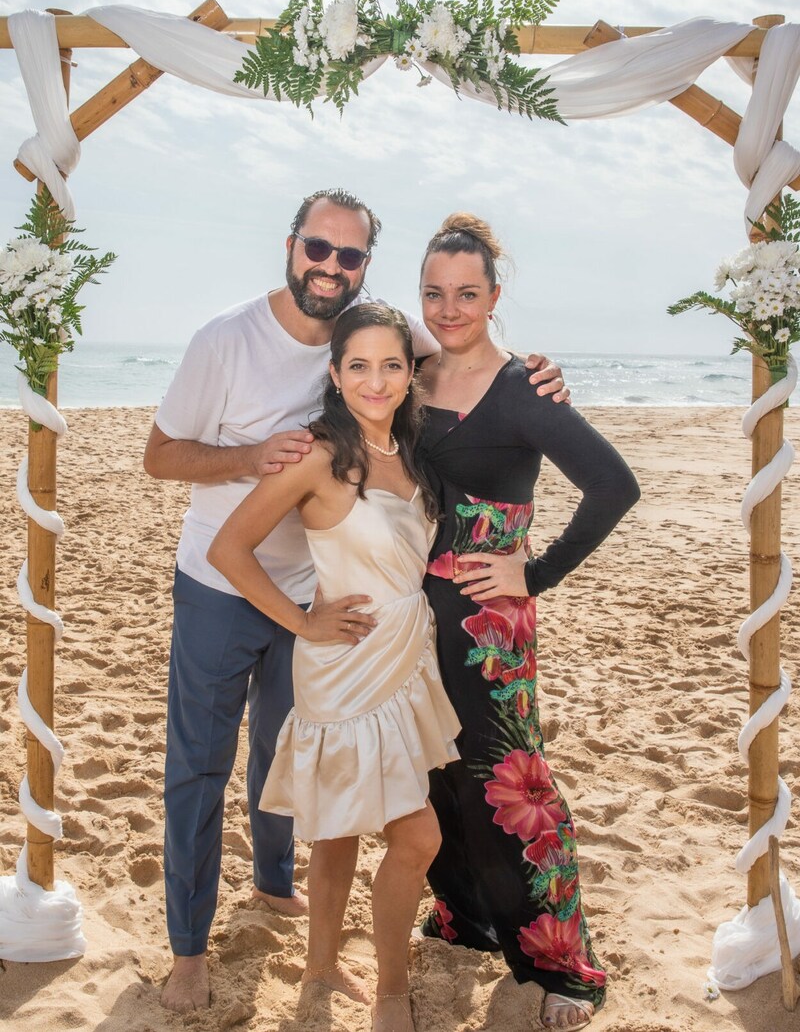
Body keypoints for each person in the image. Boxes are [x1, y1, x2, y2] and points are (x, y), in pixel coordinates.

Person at [143, 187, 567, 1012]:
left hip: (341, 605)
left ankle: (283, 905)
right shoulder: (227, 341)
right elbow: (161, 458)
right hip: (225, 589)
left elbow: (458, 349)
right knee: (201, 766)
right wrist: (251, 458)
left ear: (366, 265)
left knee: (295, 775)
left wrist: (533, 371)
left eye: (349, 255)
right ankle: (190, 951)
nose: (330, 266)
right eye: (318, 248)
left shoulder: (384, 347)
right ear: (292, 245)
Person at [412, 214, 640, 1032]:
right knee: (437, 775)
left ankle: (561, 963)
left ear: (494, 296)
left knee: (509, 785)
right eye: (435, 293)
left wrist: (532, 573)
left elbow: (614, 487)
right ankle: (466, 916)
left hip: (488, 626)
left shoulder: (521, 389)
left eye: (467, 293)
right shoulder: (415, 370)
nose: (449, 308)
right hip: (414, 619)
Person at [208, 303, 458, 1032]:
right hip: (343, 662)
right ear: (334, 373)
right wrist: (302, 622)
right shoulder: (319, 456)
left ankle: (319, 964)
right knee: (417, 838)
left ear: (411, 373)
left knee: (342, 829)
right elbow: (229, 548)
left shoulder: (412, 448)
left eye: (390, 364)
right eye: (358, 365)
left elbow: (465, 360)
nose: (375, 381)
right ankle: (389, 994)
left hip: (406, 660)